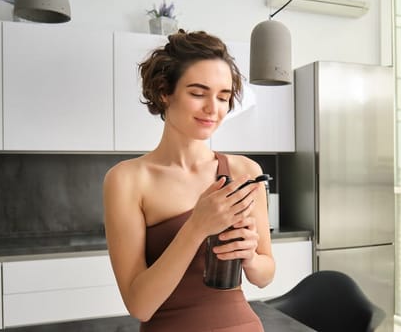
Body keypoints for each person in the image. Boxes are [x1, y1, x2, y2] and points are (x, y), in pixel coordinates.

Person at [103, 30, 275, 331]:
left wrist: (249, 257)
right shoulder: (127, 180)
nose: (214, 109)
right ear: (164, 92)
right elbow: (140, 305)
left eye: (223, 97)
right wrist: (197, 227)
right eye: (198, 93)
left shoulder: (245, 171)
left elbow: (265, 275)